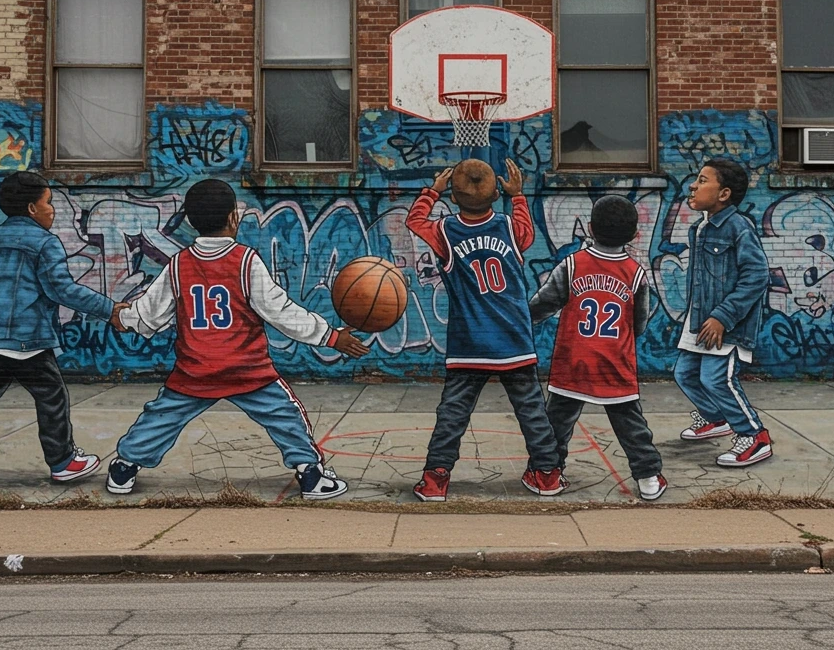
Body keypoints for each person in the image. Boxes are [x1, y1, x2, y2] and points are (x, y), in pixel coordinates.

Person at [105, 179, 368, 498]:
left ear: (189, 222)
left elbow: (151, 314)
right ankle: (310, 475)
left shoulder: (179, 265)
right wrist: (330, 336)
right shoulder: (246, 261)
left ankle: (123, 468)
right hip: (248, 370)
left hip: (196, 370)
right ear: (233, 218)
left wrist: (124, 318)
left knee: (161, 417)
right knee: (285, 416)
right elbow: (281, 312)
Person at [0, 171, 121, 486]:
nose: (53, 209)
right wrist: (109, 309)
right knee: (51, 395)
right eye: (48, 202)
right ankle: (63, 461)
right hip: (28, 339)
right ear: (33, 208)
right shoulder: (45, 243)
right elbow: (63, 290)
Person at [405, 158, 563, 501]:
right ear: (496, 194)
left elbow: (414, 221)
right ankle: (547, 475)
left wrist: (432, 191)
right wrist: (518, 195)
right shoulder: (509, 227)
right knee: (532, 411)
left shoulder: (445, 231)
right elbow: (526, 227)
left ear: (454, 197)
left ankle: (435, 480)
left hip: (469, 344)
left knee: (453, 414)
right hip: (514, 341)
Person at [529, 195, 666, 500]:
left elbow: (543, 304)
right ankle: (648, 477)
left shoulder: (572, 264)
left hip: (573, 361)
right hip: (614, 364)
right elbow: (639, 325)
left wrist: (520, 323)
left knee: (557, 424)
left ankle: (547, 474)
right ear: (634, 235)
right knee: (630, 424)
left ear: (589, 228)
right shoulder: (636, 274)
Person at [675, 159, 773, 467]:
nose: (693, 185)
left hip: (727, 324)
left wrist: (723, 316)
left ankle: (754, 436)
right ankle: (716, 418)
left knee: (717, 380)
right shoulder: (702, 227)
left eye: (702, 180)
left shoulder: (738, 227)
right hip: (702, 321)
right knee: (685, 374)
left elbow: (757, 275)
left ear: (724, 194)